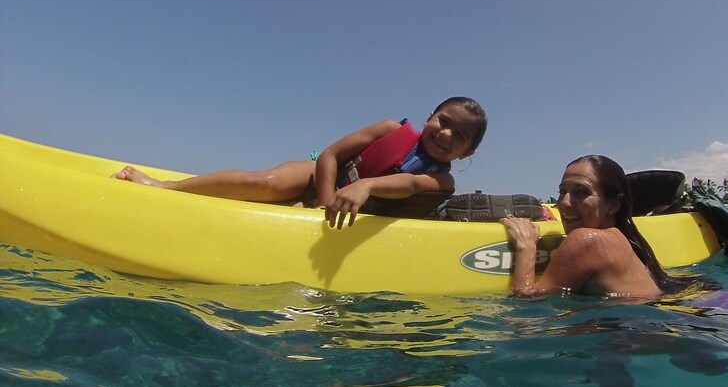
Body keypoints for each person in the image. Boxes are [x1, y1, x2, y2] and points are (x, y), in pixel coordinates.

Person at [113, 96, 487, 229]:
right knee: (265, 183)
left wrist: (367, 185)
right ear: (428, 117)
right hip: (321, 179)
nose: (446, 134)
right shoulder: (391, 127)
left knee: (278, 211)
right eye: (444, 121)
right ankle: (166, 188)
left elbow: (409, 185)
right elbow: (330, 155)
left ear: (467, 153)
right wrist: (324, 202)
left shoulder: (443, 182)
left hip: (348, 207)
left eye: (461, 136)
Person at [500, 155, 683, 298]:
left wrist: (526, 247)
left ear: (614, 205)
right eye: (563, 191)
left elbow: (526, 309)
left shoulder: (586, 240)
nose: (564, 203)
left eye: (581, 192)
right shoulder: (623, 240)